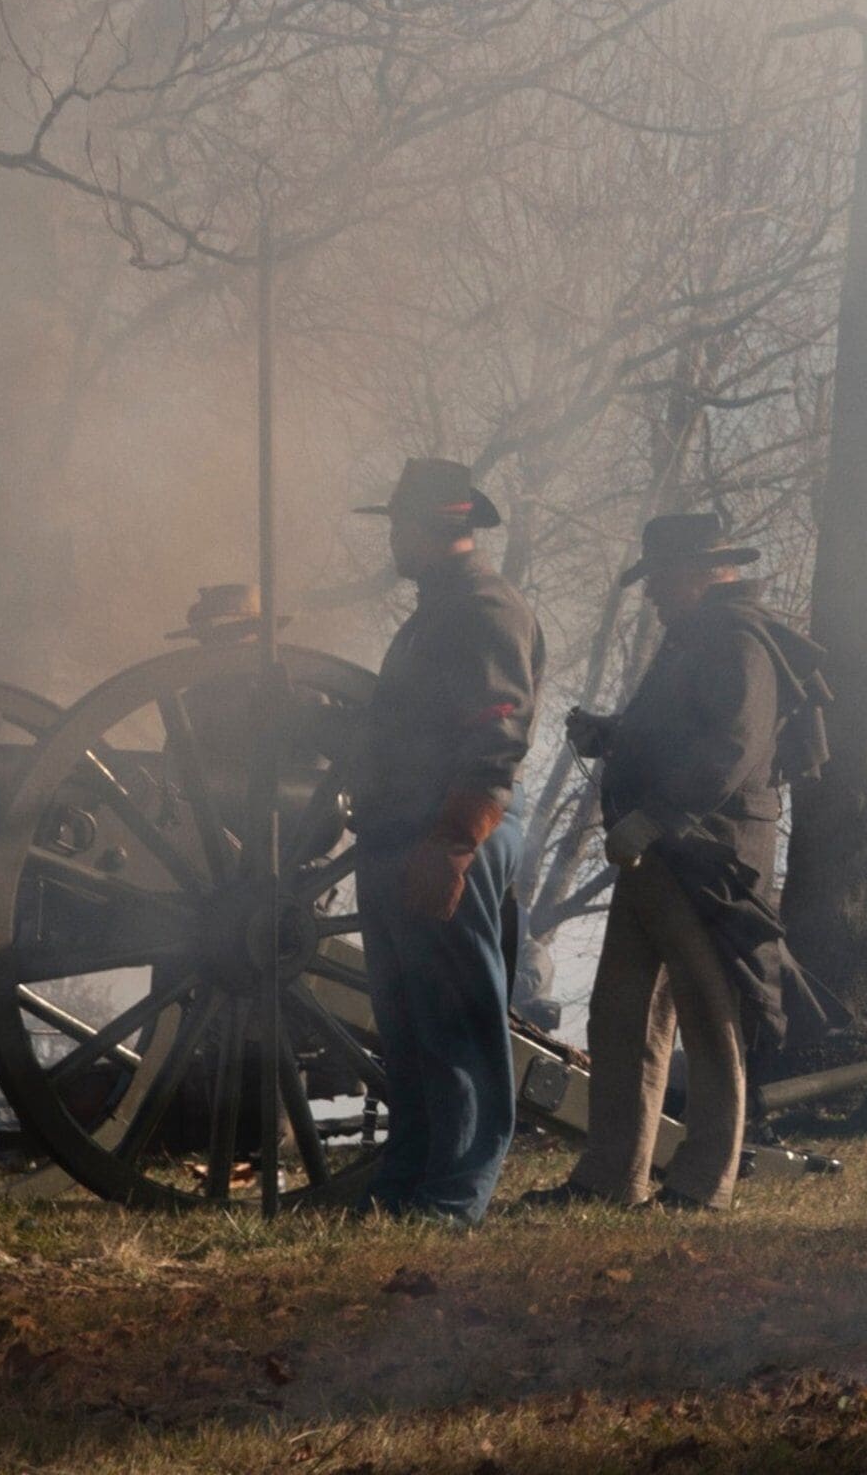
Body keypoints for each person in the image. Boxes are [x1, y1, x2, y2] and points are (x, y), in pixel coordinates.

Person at [552, 511, 831, 1211]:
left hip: (707, 858)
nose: (652, 593)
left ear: (705, 573)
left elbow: (729, 752)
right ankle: (610, 1178)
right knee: (621, 1015)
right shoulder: (697, 639)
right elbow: (674, 734)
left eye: (662, 578)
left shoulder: (738, 642)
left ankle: (704, 1185)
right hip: (659, 854)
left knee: (710, 1020)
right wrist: (611, 735)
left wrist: (653, 819)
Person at [350, 459, 545, 1224]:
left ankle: (455, 1196)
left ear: (430, 528)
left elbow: (497, 737)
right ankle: (406, 1184)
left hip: (449, 831)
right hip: (404, 832)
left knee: (457, 1023)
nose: (392, 541)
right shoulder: (439, 612)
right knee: (407, 1025)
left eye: (399, 526)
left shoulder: (484, 610)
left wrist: (455, 843)